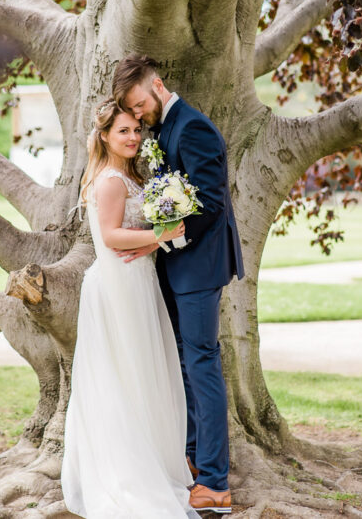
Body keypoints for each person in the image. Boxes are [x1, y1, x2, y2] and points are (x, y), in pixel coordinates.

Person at [112, 54, 245, 515]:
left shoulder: (193, 127)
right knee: (185, 366)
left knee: (202, 365)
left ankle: (214, 483)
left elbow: (209, 204)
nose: (137, 115)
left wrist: (156, 241)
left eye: (138, 104)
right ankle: (192, 459)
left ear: (157, 85)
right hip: (177, 264)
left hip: (200, 267)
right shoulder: (164, 129)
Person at [61, 100, 200, 519]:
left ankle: (155, 460)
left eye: (137, 130)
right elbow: (110, 236)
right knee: (124, 375)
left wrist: (157, 234)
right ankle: (127, 471)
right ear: (104, 135)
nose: (134, 137)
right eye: (124, 131)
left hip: (138, 282)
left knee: (142, 374)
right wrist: (161, 235)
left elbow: (130, 234)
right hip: (117, 286)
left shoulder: (131, 175)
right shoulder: (108, 180)